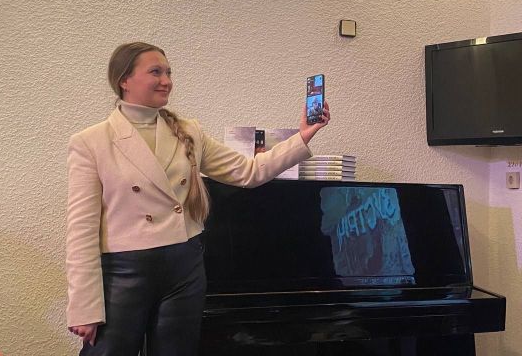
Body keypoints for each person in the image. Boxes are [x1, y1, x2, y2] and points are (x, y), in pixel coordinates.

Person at [66, 42, 330, 355]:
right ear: (124, 80)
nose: (166, 81)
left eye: (168, 72)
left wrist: (303, 135)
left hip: (185, 267)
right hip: (124, 273)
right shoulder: (91, 142)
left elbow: (249, 172)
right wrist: (84, 306)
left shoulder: (189, 131)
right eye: (155, 72)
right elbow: (81, 230)